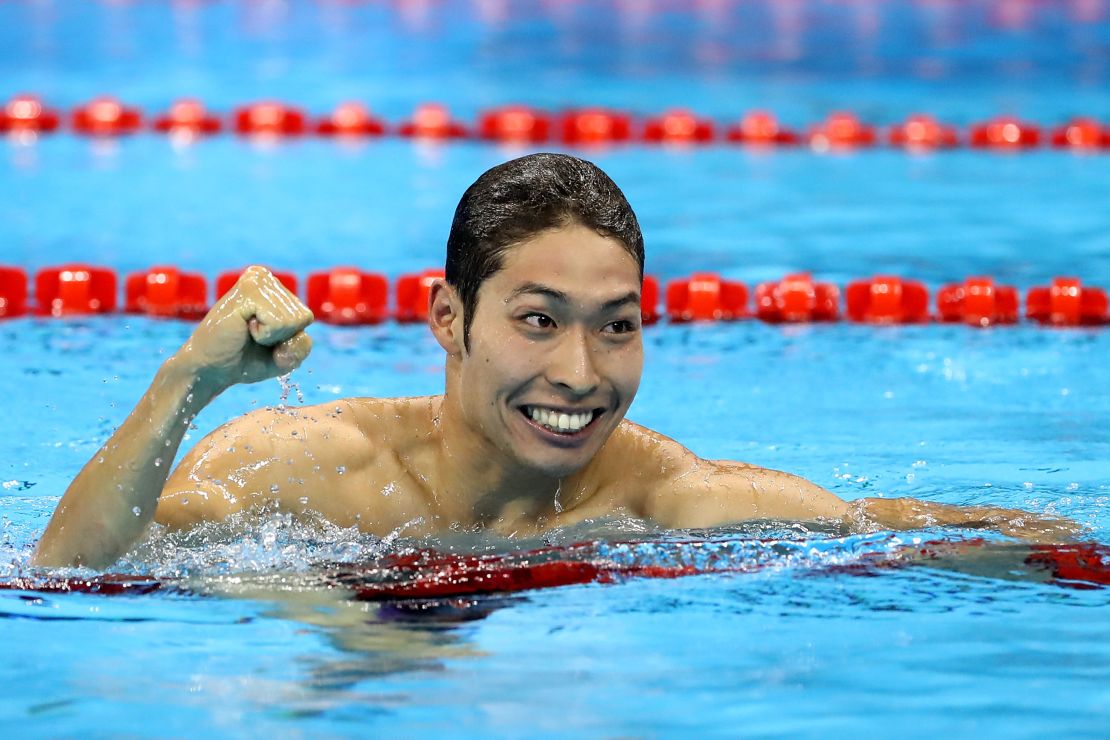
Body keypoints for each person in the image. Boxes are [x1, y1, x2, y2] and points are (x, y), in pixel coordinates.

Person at [33, 153, 1076, 569]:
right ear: (449, 317)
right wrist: (185, 383)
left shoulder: (663, 497)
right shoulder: (308, 466)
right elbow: (71, 569)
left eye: (617, 324)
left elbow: (903, 531)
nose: (583, 370)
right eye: (539, 320)